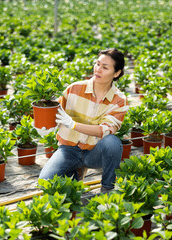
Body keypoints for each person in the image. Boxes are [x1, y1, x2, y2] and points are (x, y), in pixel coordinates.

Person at [38, 48, 129, 191]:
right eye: (97, 64)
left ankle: (107, 188)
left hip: (94, 152)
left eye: (105, 67)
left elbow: (104, 130)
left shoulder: (119, 101)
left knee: (112, 142)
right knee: (46, 181)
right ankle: (74, 173)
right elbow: (54, 114)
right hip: (68, 149)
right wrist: (43, 126)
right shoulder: (74, 89)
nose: (98, 69)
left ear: (117, 73)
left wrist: (73, 125)